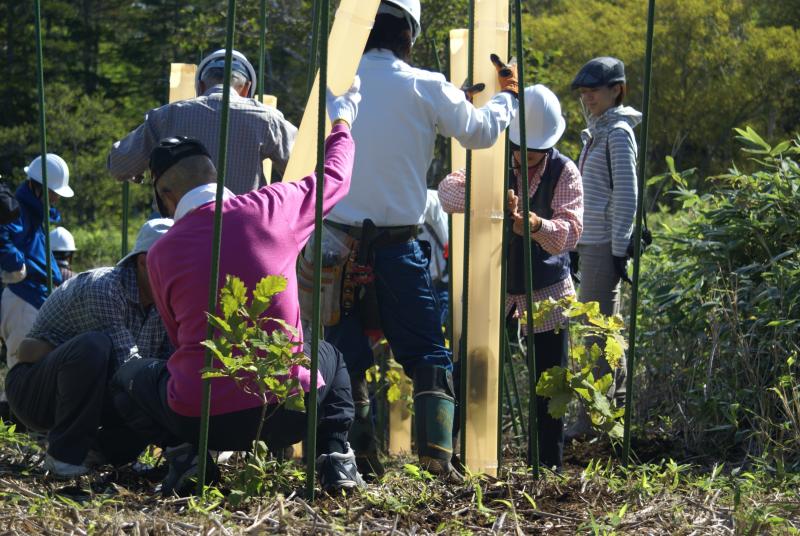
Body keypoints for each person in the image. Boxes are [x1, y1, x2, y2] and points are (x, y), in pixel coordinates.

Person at [110, 81, 363, 496]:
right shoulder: (273, 207)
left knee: (130, 378)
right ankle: (335, 460)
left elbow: (180, 344)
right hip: (290, 411)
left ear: (166, 195)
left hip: (203, 420)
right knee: (328, 354)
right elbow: (335, 176)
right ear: (213, 174)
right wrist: (343, 119)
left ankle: (188, 459)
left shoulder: (158, 254)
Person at [319, 0, 518, 481]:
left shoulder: (334, 83)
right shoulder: (426, 87)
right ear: (408, 36)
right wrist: (506, 96)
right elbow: (479, 132)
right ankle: (437, 463)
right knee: (427, 353)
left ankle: (353, 457)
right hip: (398, 247)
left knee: (343, 355)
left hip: (337, 247)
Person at [438, 84, 583, 471]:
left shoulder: (563, 170)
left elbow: (570, 233)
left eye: (535, 150)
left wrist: (534, 224)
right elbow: (448, 192)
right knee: (472, 371)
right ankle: (454, 456)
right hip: (495, 284)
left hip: (547, 289)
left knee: (549, 384)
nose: (525, 157)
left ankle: (547, 465)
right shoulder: (491, 156)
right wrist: (487, 196)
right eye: (520, 147)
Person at [5, 219, 173, 477]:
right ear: (144, 262)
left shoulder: (165, 302)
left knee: (158, 388)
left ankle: (98, 453)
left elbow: (164, 366)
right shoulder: (104, 288)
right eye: (173, 265)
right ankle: (63, 455)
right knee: (96, 346)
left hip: (93, 393)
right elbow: (127, 366)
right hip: (35, 391)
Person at [567, 57, 641, 439]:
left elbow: (627, 195)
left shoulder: (617, 133)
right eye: (584, 90)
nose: (587, 96)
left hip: (603, 246)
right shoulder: (597, 131)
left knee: (595, 334)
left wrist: (617, 248)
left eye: (594, 89)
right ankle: (615, 416)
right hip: (591, 242)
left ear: (617, 90)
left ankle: (591, 422)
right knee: (606, 331)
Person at [107, 49, 297, 193]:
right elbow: (306, 168)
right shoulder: (267, 118)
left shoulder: (167, 115)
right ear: (247, 89)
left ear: (201, 85)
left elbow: (118, 165)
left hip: (179, 232)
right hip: (242, 232)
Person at [0, 154, 72, 370]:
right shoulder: (18, 211)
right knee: (23, 375)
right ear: (36, 187)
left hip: (35, 299)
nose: (56, 199)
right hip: (24, 299)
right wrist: (15, 263)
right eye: (52, 193)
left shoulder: (34, 214)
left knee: (39, 377)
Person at [419, 190, 450, 328]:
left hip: (439, 281)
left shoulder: (429, 199)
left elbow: (446, 240)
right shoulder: (431, 197)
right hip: (425, 281)